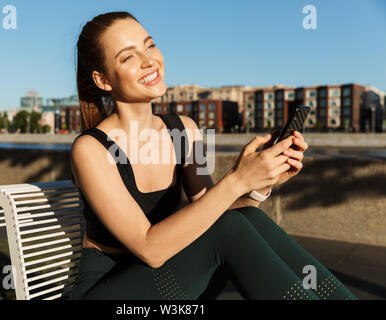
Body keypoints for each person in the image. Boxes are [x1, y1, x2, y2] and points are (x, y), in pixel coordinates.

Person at [68, 11, 357, 300]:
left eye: (150, 45)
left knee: (246, 218)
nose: (148, 60)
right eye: (128, 57)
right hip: (112, 289)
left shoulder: (185, 130)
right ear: (103, 80)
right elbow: (150, 249)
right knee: (231, 227)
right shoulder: (90, 149)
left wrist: (259, 184)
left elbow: (215, 211)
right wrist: (236, 180)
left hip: (170, 273)